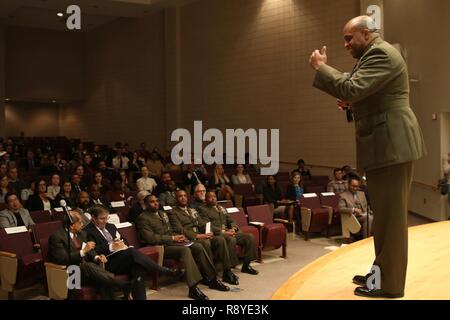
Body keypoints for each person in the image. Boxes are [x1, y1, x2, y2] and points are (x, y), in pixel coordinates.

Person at [309, 15, 426, 298]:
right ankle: (380, 273)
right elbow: (360, 90)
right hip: (384, 144)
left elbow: (351, 87)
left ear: (366, 33)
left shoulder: (382, 54)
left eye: (349, 38)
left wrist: (322, 68)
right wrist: (351, 102)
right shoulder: (371, 55)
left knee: (392, 220)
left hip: (391, 144)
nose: (346, 44)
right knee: (383, 218)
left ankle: (390, 284)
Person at [136, 195, 229, 300]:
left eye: (157, 201)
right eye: (152, 202)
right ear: (146, 204)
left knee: (197, 246)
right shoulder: (143, 218)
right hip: (161, 247)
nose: (156, 203)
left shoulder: (162, 213)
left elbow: (171, 230)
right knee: (185, 251)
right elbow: (150, 238)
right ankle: (193, 288)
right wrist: (172, 238)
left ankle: (212, 279)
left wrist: (180, 237)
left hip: (173, 243)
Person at [83, 204, 182, 300]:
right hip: (106, 262)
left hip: (122, 257)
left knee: (137, 267)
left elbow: (124, 240)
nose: (105, 221)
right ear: (93, 218)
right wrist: (111, 247)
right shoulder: (87, 231)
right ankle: (162, 270)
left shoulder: (111, 226)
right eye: (102, 219)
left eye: (107, 218)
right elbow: (92, 251)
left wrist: (120, 242)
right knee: (131, 252)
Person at [47, 210, 132, 300]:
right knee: (89, 266)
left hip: (89, 272)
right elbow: (62, 259)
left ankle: (115, 286)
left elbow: (91, 251)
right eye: (80, 222)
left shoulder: (82, 234)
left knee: (101, 277)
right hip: (71, 272)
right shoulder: (57, 237)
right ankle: (121, 285)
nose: (83, 224)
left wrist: (97, 257)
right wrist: (83, 251)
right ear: (71, 225)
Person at [170, 190, 240, 285]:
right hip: (189, 238)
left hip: (201, 235)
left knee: (220, 239)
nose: (183, 198)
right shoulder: (173, 212)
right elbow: (179, 229)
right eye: (180, 196)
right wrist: (197, 236)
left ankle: (227, 271)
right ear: (176, 199)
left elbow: (203, 223)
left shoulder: (192, 210)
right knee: (205, 242)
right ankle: (209, 275)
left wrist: (208, 232)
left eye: (185, 196)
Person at [198, 191, 259, 275]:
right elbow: (207, 225)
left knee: (249, 237)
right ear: (206, 199)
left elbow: (230, 220)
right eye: (210, 197)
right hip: (218, 234)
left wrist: (233, 228)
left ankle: (246, 266)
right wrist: (223, 232)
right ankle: (228, 269)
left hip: (228, 231)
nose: (213, 198)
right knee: (231, 239)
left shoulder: (221, 208)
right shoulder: (203, 209)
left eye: (214, 196)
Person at [338, 177, 373, 243]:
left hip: (363, 214)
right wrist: (353, 210)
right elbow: (341, 209)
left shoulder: (361, 194)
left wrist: (369, 211)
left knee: (374, 217)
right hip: (352, 217)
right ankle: (366, 241)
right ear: (349, 185)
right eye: (353, 186)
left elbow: (365, 206)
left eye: (357, 186)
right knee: (369, 218)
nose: (355, 188)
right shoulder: (343, 195)